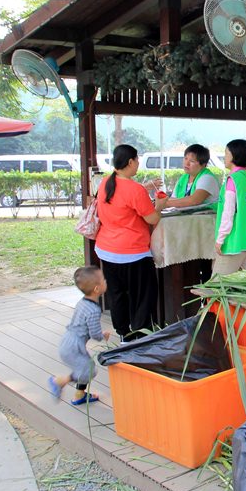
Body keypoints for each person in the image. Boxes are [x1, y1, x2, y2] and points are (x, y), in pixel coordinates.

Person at [94, 144, 161, 342]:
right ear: (130, 162)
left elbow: (123, 198)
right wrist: (160, 205)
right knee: (143, 296)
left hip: (107, 250)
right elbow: (152, 219)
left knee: (117, 295)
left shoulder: (106, 182)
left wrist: (144, 188)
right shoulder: (135, 189)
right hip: (133, 252)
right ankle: (140, 335)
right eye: (137, 160)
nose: (138, 163)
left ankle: (124, 334)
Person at [48, 266, 111, 405]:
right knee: (89, 370)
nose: (106, 281)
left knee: (86, 368)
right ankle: (59, 381)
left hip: (68, 340)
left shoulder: (82, 302)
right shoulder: (94, 310)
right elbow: (95, 333)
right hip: (74, 346)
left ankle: (79, 395)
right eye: (103, 280)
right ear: (97, 289)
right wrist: (103, 335)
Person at [213, 139, 246, 275]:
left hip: (234, 241)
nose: (224, 157)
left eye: (226, 153)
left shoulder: (232, 180)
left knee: (216, 287)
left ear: (234, 155)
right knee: (245, 287)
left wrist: (220, 239)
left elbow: (228, 213)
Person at [154, 144, 220, 210]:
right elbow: (173, 199)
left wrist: (166, 204)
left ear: (203, 165)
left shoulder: (207, 178)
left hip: (208, 219)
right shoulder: (183, 179)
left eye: (192, 161)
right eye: (185, 158)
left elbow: (194, 200)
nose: (187, 163)